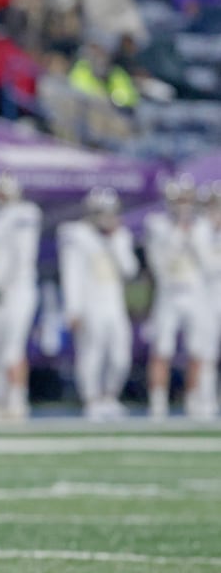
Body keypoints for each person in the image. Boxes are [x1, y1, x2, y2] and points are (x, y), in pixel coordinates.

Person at [59, 187, 138, 420]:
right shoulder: (77, 235)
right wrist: (73, 308)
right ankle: (91, 399)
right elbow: (71, 274)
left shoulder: (121, 236)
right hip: (90, 304)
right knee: (91, 353)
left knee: (120, 356)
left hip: (114, 304)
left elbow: (129, 270)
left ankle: (110, 396)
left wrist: (113, 241)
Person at [142, 175, 214, 420]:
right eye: (179, 199)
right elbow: (158, 264)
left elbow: (210, 266)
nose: (183, 204)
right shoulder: (158, 225)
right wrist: (176, 234)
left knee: (197, 349)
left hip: (195, 293)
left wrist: (191, 237)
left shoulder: (202, 227)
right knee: (162, 349)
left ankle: (193, 400)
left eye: (187, 199)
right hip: (169, 292)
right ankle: (158, 402)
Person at [0, 171, 41, 420]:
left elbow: (22, 257)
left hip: (16, 291)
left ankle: (16, 399)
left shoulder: (24, 214)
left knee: (12, 348)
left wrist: (1, 285)